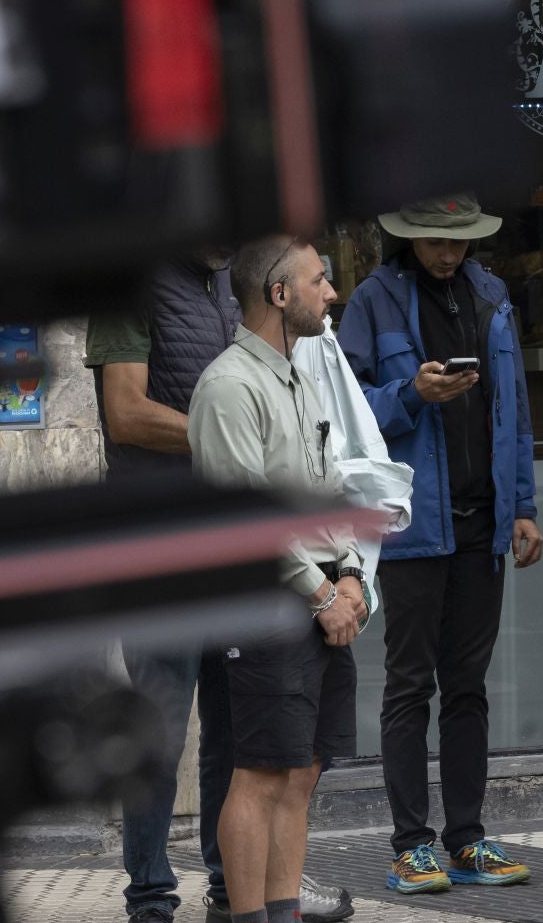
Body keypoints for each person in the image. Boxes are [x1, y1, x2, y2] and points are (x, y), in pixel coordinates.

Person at [87, 256, 355, 923]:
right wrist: (235, 440)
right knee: (159, 723)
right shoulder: (128, 282)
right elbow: (123, 412)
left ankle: (232, 890)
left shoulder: (240, 279)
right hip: (160, 544)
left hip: (236, 545)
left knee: (242, 731)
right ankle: (150, 899)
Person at [337, 194, 543, 895]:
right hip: (415, 523)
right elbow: (346, 407)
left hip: (482, 520)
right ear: (409, 238)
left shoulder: (491, 292)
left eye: (457, 243)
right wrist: (411, 392)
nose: (447, 253)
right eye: (433, 242)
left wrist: (523, 506)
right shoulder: (373, 299)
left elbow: (512, 405)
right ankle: (409, 843)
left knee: (468, 686)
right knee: (408, 683)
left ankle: (467, 835)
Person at [188, 236, 365, 923]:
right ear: (278, 294)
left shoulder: (301, 375)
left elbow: (330, 487)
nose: (332, 292)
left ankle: (284, 912)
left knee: (301, 771)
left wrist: (350, 575)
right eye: (319, 281)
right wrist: (322, 593)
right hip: (267, 603)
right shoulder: (228, 385)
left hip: (322, 598)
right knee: (259, 772)